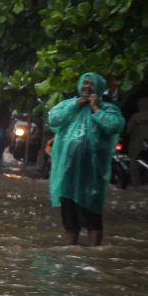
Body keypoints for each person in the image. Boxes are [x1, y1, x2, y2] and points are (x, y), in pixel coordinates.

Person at [48, 73, 124, 246]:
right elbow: (53, 119)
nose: (87, 87)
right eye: (85, 83)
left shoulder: (107, 109)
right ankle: (71, 251)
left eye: (91, 84)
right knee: (69, 218)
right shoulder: (70, 105)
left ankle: (94, 255)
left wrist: (95, 108)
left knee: (92, 215)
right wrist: (75, 105)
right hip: (67, 173)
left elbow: (114, 126)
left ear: (98, 87)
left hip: (92, 175)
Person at [125, 97, 148, 186]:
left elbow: (128, 131)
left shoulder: (135, 116)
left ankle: (136, 190)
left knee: (135, 172)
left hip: (136, 147)